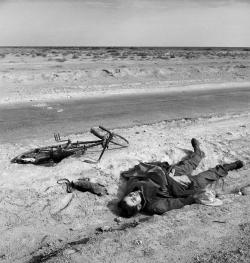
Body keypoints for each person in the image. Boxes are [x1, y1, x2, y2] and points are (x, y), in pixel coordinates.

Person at [118, 138, 244, 217]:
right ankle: (229, 167)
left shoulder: (132, 187)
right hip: (184, 186)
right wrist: (194, 197)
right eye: (133, 200)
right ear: (139, 207)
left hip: (171, 174)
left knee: (189, 164)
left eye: (130, 196)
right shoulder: (155, 205)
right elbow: (176, 203)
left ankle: (198, 151)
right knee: (208, 176)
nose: (133, 195)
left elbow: (138, 174)